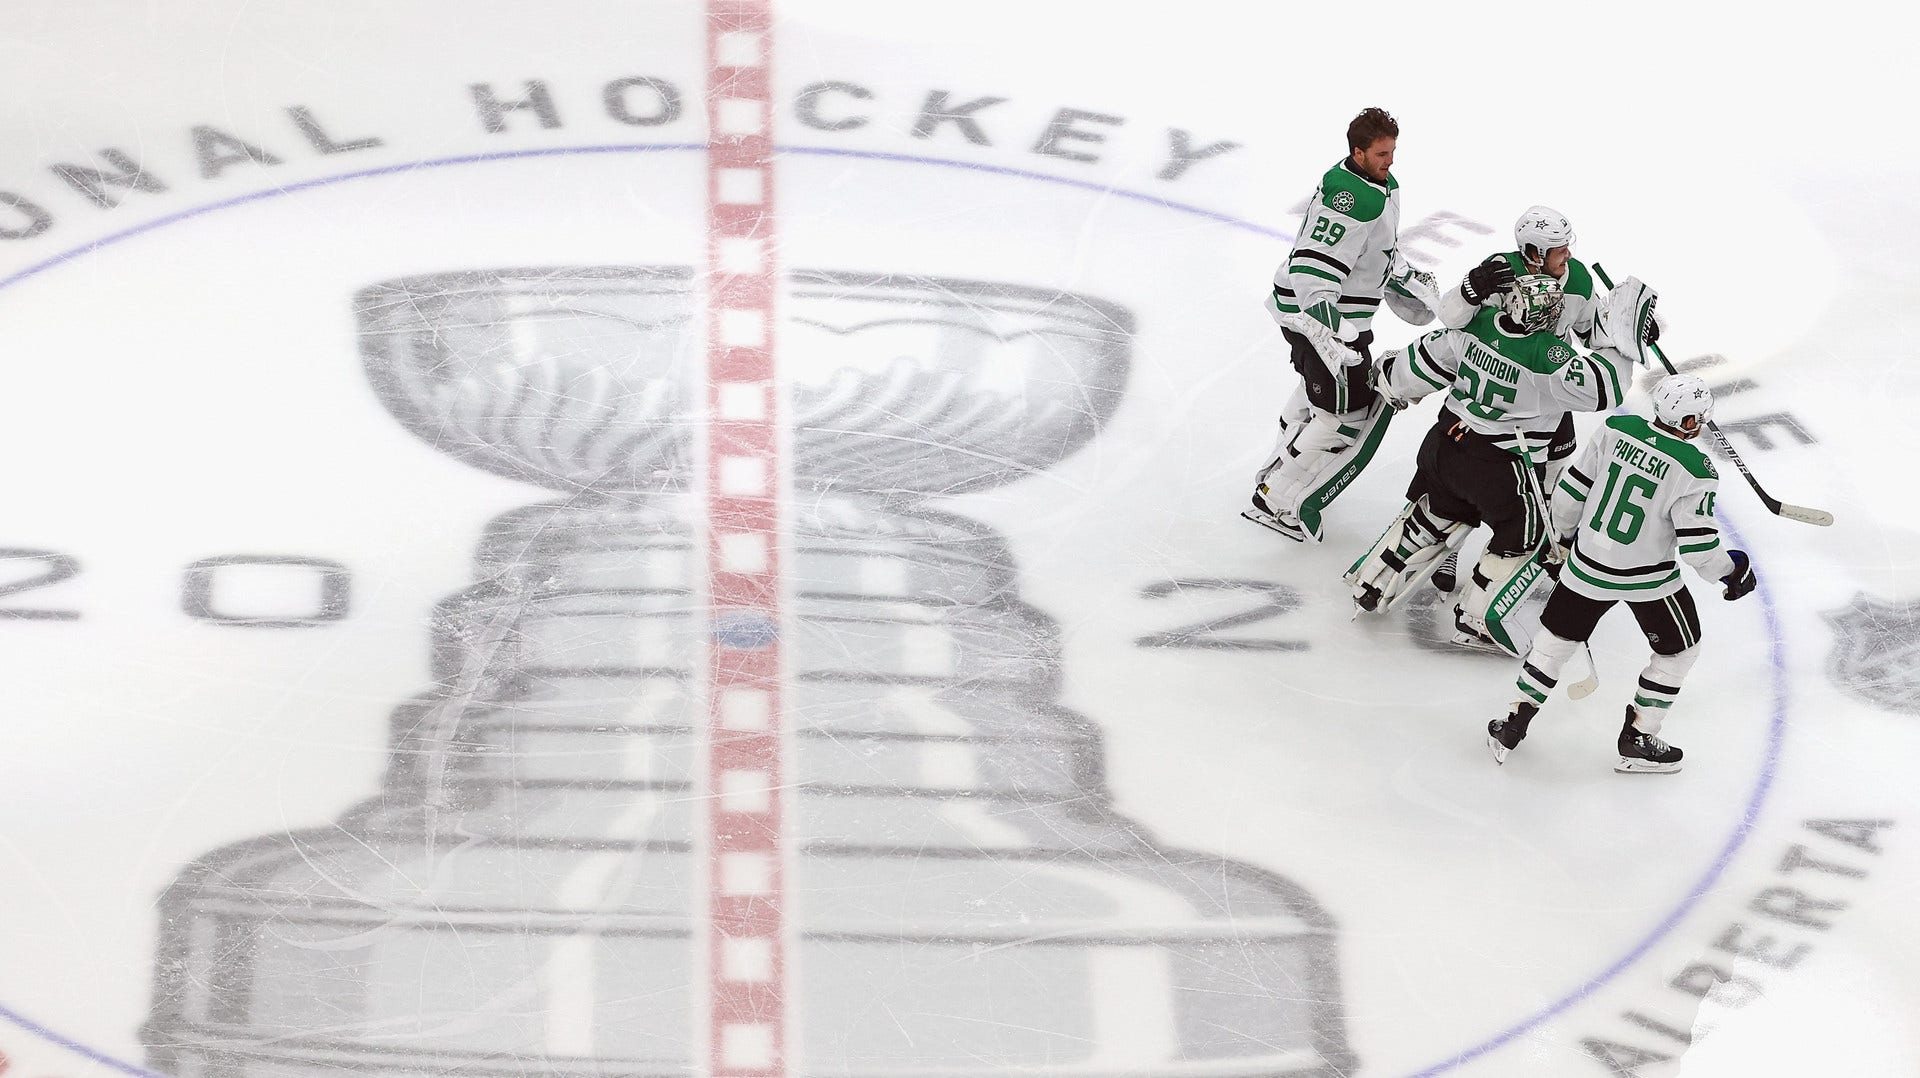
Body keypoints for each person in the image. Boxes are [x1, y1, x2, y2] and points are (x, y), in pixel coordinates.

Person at [1344, 275, 1650, 654]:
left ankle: (1374, 580)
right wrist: (1622, 341)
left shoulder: (1475, 324)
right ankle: (1478, 618)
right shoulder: (1546, 355)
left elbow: (1417, 367)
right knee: (1525, 537)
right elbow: (1606, 388)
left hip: (1444, 447)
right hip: (1500, 466)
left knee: (1435, 515)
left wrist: (1391, 376)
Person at [1487, 373, 1757, 772]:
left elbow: (1570, 493)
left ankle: (1513, 722)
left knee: (1553, 644)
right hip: (1647, 579)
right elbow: (1700, 551)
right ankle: (1638, 736)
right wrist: (1733, 571)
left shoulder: (1616, 428)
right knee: (1679, 651)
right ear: (1687, 422)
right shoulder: (1696, 469)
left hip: (1585, 566)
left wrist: (1559, 538)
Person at [1244, 106, 1439, 543]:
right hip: (1318, 322)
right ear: (1358, 152)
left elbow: (1375, 250)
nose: (1390, 160)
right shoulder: (1350, 199)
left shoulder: (1380, 186)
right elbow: (1312, 275)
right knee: (1342, 414)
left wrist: (1403, 275)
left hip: (1341, 319)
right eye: (1382, 153)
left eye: (1392, 151)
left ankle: (1278, 467)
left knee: (1320, 395)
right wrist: (1338, 334)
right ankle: (1274, 497)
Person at [1430, 206, 1599, 593]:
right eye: (1559, 249)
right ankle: (1452, 547)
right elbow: (1452, 319)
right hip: (1492, 395)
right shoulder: (1499, 273)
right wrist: (1472, 289)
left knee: (1551, 470)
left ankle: (1538, 546)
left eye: (1567, 246)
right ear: (1534, 254)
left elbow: (1593, 331)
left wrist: (1629, 333)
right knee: (1473, 474)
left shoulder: (1580, 281)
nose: (1568, 255)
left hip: (1547, 399)